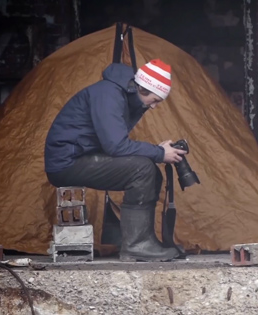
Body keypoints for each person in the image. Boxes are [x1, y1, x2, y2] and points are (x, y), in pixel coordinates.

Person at [44, 59, 187, 262]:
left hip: (82, 155)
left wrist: (156, 151)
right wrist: (157, 152)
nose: (154, 107)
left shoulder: (122, 95)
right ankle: (137, 245)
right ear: (142, 89)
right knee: (143, 169)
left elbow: (113, 143)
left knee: (148, 168)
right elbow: (116, 146)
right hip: (66, 162)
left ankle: (143, 242)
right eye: (155, 100)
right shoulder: (108, 95)